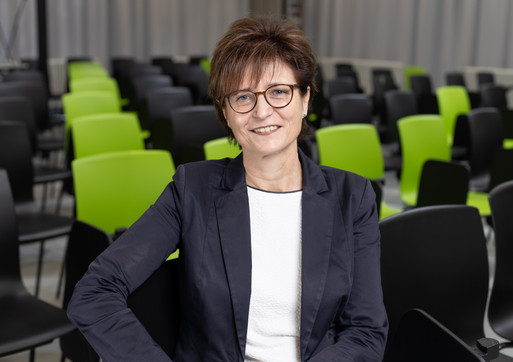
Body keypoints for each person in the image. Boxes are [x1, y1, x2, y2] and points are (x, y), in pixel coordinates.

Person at [68, 16, 388, 361]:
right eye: (243, 97)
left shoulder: (352, 197)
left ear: (305, 99)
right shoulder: (192, 190)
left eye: (279, 92)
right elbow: (94, 291)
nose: (262, 111)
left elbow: (366, 332)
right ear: (225, 111)